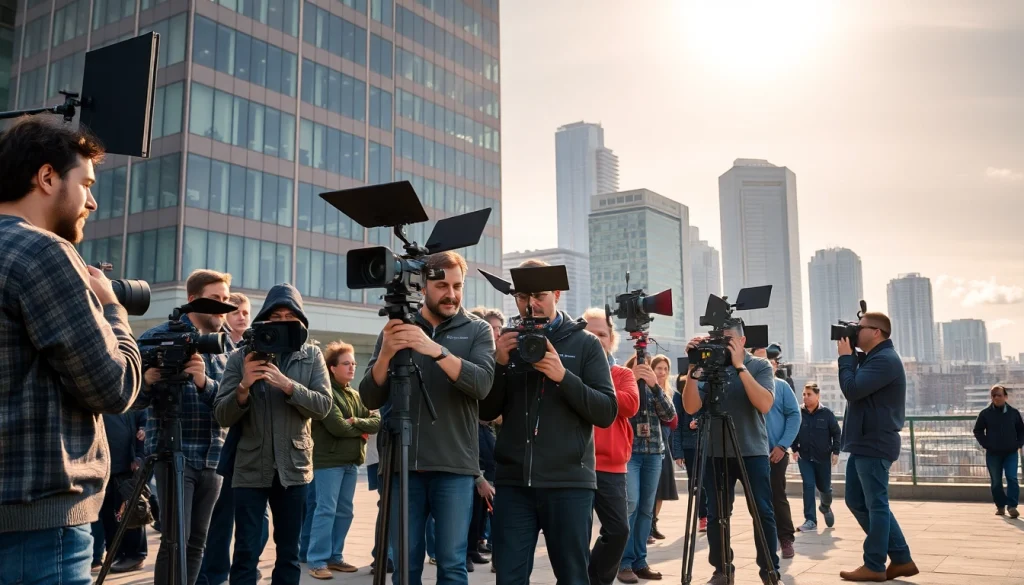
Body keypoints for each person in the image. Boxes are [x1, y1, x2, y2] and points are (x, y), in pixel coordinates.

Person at [0, 117, 142, 585]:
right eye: (87, 185)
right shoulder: (43, 252)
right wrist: (113, 309)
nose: (92, 202)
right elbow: (113, 386)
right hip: (38, 531)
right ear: (47, 177)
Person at [359, 251, 496, 585]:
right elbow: (369, 397)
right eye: (442, 286)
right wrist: (386, 354)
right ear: (423, 287)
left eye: (457, 286)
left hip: (454, 466)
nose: (451, 294)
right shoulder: (395, 329)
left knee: (451, 564)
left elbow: (482, 385)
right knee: (404, 566)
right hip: (401, 466)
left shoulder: (478, 329)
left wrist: (434, 349)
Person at [480, 259, 617, 585]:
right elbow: (486, 411)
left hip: (569, 483)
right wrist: (499, 364)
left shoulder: (585, 343)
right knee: (508, 578)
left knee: (573, 577)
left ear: (556, 294)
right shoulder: (507, 343)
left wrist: (562, 376)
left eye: (539, 295)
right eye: (522, 297)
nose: (531, 304)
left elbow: (606, 411)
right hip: (514, 484)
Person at [215, 283, 333, 585]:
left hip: (294, 467)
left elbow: (323, 406)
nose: (282, 322)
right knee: (245, 550)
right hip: (249, 467)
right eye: (275, 316)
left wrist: (288, 385)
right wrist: (243, 386)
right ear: (264, 320)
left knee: (289, 552)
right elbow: (222, 415)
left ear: (301, 321)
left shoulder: (311, 355)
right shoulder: (241, 357)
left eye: (289, 316)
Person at [136, 269, 234, 585]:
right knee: (174, 540)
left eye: (226, 299)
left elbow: (232, 404)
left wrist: (205, 382)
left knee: (197, 541)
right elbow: (130, 401)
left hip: (213, 456)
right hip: (170, 451)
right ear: (193, 299)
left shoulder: (226, 346)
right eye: (215, 298)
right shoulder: (155, 337)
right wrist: (146, 381)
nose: (223, 306)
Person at [681, 323, 782, 585]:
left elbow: (765, 404)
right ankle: (722, 570)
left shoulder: (759, 365)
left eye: (727, 339)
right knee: (717, 515)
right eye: (717, 339)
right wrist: (693, 368)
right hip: (715, 452)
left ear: (742, 340)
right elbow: (691, 407)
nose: (721, 345)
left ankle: (770, 571)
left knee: (762, 512)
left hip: (752, 451)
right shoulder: (709, 366)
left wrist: (739, 366)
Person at [836, 312, 918, 582]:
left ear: (876, 332)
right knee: (856, 500)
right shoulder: (874, 358)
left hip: (875, 442)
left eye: (859, 328)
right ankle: (902, 559)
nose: (855, 332)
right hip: (864, 442)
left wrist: (845, 359)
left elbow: (852, 389)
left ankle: (874, 564)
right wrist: (852, 355)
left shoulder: (885, 360)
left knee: (876, 505)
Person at [197, 291, 270, 585]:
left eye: (246, 311)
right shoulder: (215, 346)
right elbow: (220, 400)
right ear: (225, 315)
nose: (242, 316)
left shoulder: (263, 346)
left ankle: (247, 564)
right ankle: (213, 575)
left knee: (260, 521)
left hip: (254, 448)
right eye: (236, 311)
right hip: (223, 447)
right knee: (221, 521)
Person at [306, 341, 380, 579]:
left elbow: (377, 422)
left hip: (351, 462)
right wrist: (360, 427)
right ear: (332, 368)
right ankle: (317, 561)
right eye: (346, 363)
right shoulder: (326, 394)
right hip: (328, 462)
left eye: (353, 363)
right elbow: (337, 427)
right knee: (326, 510)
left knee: (345, 512)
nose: (352, 367)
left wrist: (356, 422)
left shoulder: (355, 394)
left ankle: (335, 557)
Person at [581, 307, 640, 585]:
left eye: (602, 334)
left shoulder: (622, 374)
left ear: (611, 339)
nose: (596, 339)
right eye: (590, 334)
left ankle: (595, 580)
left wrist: (593, 385)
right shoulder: (568, 371)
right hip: (576, 464)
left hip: (611, 466)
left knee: (618, 531)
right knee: (574, 536)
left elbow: (630, 405)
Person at [618, 353, 675, 583]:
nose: (644, 369)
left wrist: (654, 386)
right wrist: (631, 381)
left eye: (647, 366)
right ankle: (624, 562)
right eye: (639, 365)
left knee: (646, 510)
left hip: (653, 454)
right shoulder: (624, 385)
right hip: (630, 454)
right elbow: (616, 410)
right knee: (631, 505)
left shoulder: (656, 389)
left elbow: (670, 416)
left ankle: (640, 561)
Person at [753, 347, 800, 559]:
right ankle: (767, 540)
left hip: (776, 453)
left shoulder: (781, 387)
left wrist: (782, 446)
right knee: (758, 500)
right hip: (752, 452)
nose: (765, 365)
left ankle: (786, 538)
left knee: (777, 495)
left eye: (769, 361)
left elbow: (794, 416)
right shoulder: (747, 386)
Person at [95, 409, 149, 573]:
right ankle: (115, 554)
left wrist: (139, 456)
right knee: (108, 516)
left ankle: (135, 556)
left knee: (131, 511)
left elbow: (144, 422)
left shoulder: (133, 400)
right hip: (103, 466)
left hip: (127, 465)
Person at [791, 382, 841, 532]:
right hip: (804, 457)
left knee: (825, 488)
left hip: (823, 458)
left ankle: (825, 506)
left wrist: (836, 452)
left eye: (809, 394)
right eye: (804, 394)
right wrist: (794, 449)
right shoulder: (798, 413)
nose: (805, 397)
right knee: (808, 485)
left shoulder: (827, 414)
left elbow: (836, 433)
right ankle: (810, 520)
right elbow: (792, 430)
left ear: (818, 396)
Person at [972, 384, 1024, 518]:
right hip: (993, 453)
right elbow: (978, 430)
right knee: (996, 481)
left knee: (1012, 478)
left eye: (999, 395)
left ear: (1005, 397)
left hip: (1011, 452)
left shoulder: (1013, 413)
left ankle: (1012, 506)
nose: (996, 398)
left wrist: (1018, 444)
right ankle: (1000, 505)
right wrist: (986, 444)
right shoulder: (985, 414)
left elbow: (1021, 430)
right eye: (993, 395)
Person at [672, 374, 708, 534]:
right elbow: (677, 425)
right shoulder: (680, 392)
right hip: (690, 446)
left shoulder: (707, 387)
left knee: (708, 481)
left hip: (708, 444)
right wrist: (678, 452)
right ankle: (702, 516)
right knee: (696, 482)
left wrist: (700, 422)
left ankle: (710, 514)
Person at [651, 356, 679, 544]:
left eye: (665, 369)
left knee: (661, 489)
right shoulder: (647, 389)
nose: (662, 372)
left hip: (665, 442)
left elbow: (674, 420)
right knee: (650, 489)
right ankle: (646, 526)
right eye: (658, 368)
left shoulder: (670, 392)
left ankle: (653, 523)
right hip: (651, 442)